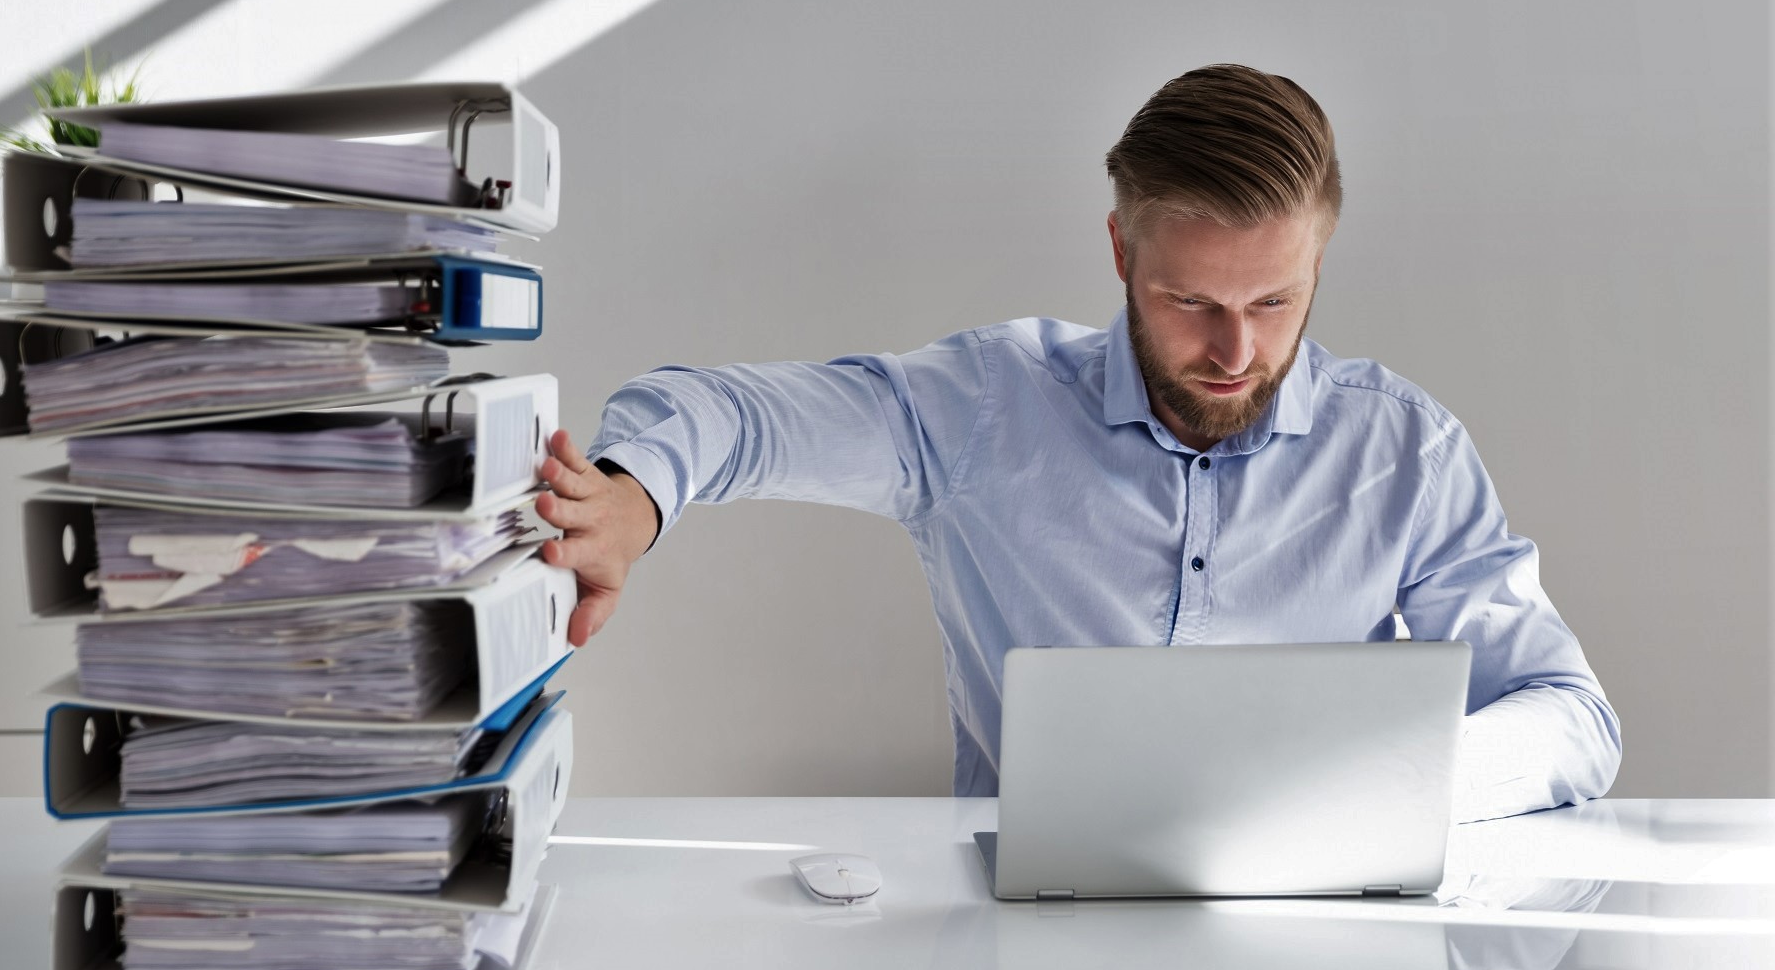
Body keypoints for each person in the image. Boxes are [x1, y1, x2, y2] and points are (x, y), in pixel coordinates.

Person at [530, 63, 1621, 822]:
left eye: (1276, 301)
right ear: (1120, 251)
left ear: (1319, 265)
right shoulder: (985, 407)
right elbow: (728, 413)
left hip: (1326, 952)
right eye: (1191, 302)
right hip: (1026, 952)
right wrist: (633, 493)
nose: (1236, 351)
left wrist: (1396, 783)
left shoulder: (1405, 453)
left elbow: (1572, 716)